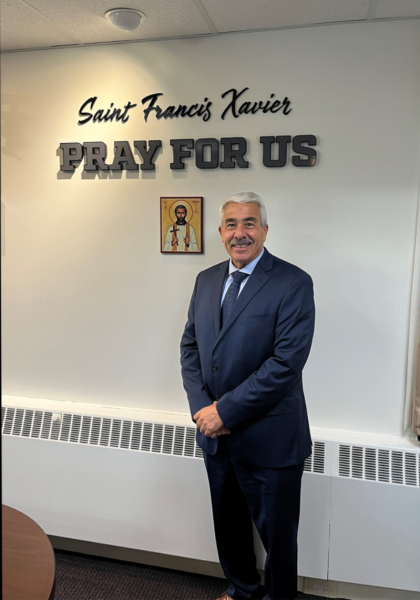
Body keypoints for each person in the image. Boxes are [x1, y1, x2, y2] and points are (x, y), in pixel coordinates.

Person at [180, 192, 315, 600]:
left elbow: (285, 364)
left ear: (265, 230)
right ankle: (240, 590)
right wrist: (203, 408)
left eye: (250, 223)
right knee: (230, 526)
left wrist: (225, 411)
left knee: (278, 538)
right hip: (217, 439)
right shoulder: (205, 280)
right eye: (232, 225)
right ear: (221, 232)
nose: (241, 233)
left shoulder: (293, 282)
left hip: (270, 439)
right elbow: (191, 347)